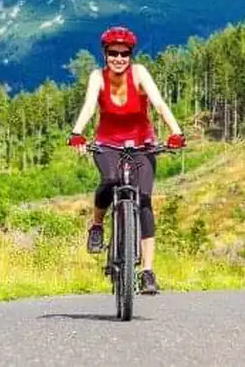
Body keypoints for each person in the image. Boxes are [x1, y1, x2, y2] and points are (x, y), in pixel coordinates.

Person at [67, 25, 186, 295]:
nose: (118, 59)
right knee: (109, 180)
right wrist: (77, 133)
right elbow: (88, 106)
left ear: (131, 55)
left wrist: (176, 132)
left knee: (144, 200)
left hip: (142, 143)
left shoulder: (139, 73)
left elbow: (159, 104)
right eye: (113, 53)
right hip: (107, 143)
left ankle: (147, 271)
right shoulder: (98, 77)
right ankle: (97, 226)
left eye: (124, 54)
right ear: (105, 54)